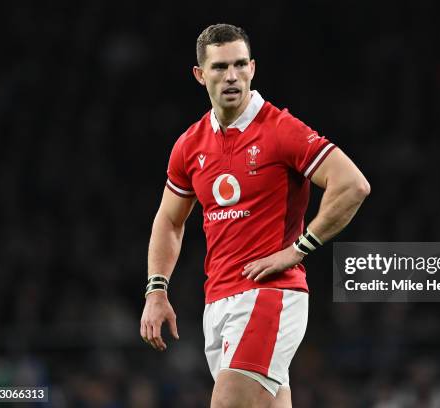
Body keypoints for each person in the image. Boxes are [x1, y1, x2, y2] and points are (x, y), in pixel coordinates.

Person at [140, 23, 370, 408]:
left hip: (269, 296)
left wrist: (299, 248)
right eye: (219, 67)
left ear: (252, 69)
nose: (231, 75)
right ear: (200, 75)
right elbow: (169, 220)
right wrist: (156, 289)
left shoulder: (282, 130)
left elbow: (352, 185)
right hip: (218, 302)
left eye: (240, 64)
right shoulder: (190, 145)